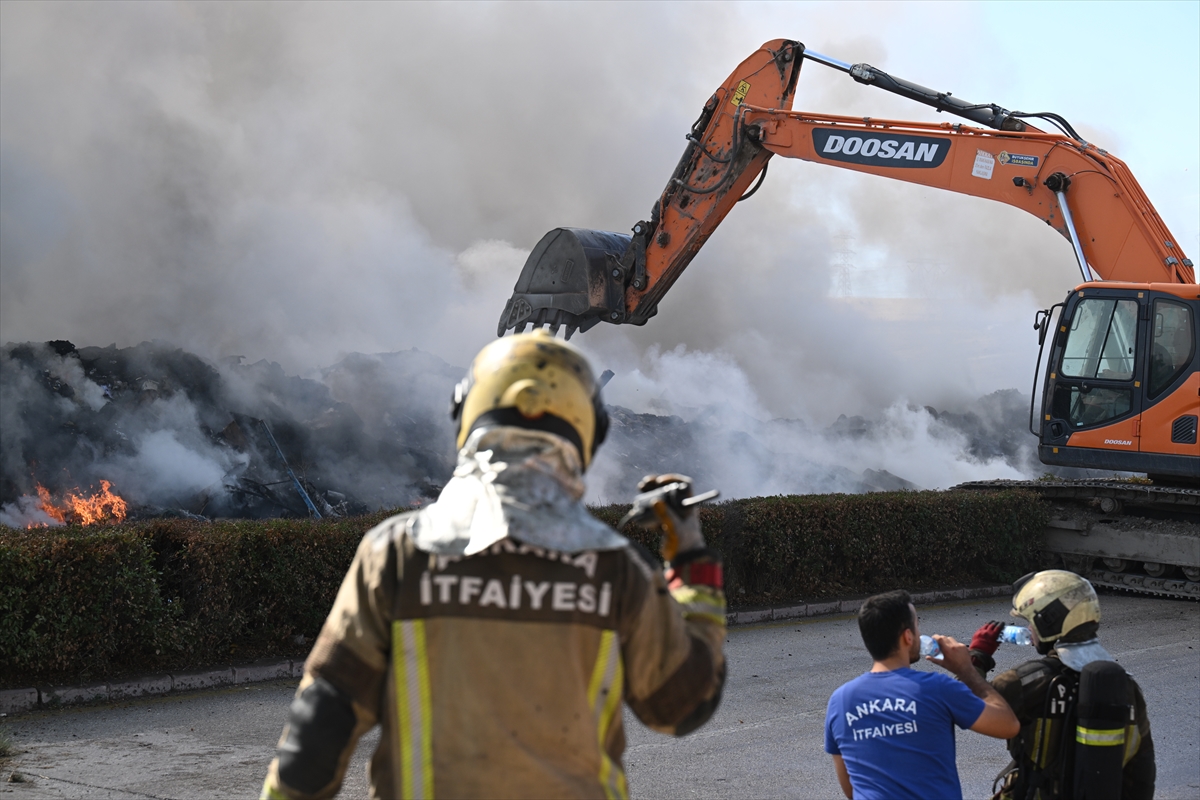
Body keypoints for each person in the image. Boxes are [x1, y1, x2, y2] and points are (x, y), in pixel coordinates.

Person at [260, 330, 727, 800]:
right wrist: (689, 555)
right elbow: (681, 706)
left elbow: (319, 732)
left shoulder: (397, 554)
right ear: (588, 433)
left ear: (465, 414)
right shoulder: (615, 569)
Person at [967, 570, 1155, 799]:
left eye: (1031, 623)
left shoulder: (1026, 681)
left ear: (1048, 623)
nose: (1029, 631)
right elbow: (1142, 771)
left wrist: (977, 657)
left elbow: (965, 706)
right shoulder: (1125, 686)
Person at [825, 590, 1019, 800]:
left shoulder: (840, 700)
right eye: (917, 627)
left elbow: (850, 787)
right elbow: (1008, 725)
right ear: (908, 637)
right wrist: (966, 669)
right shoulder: (937, 688)